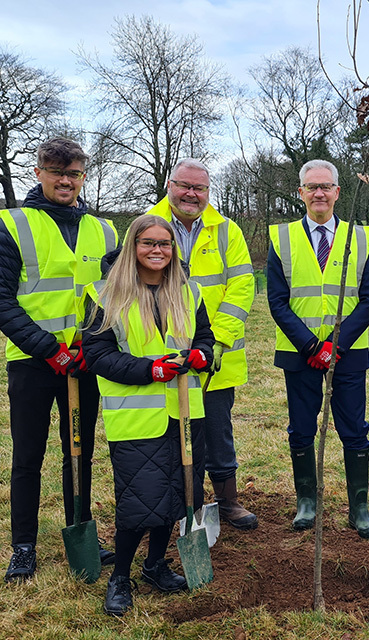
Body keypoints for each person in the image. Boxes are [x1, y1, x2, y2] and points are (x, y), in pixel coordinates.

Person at [0, 137, 118, 582]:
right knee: (28, 455)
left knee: (79, 452)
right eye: (56, 171)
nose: (65, 180)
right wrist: (49, 349)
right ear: (38, 173)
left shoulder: (105, 231)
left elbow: (116, 296)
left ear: (83, 176)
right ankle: (23, 545)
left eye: (74, 172)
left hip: (85, 362)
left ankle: (80, 529)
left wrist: (90, 346)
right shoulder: (11, 226)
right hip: (33, 362)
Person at [82, 214, 214, 616]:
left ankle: (156, 564)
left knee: (178, 494)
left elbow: (206, 339)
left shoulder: (189, 292)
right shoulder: (104, 294)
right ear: (131, 246)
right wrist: (149, 369)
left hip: (185, 414)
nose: (157, 250)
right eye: (147, 243)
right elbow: (97, 355)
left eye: (165, 243)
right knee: (140, 500)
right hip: (136, 418)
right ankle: (120, 576)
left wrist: (202, 356)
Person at [267, 159, 369, 538]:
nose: (319, 193)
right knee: (301, 428)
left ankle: (359, 507)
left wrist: (335, 344)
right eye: (311, 186)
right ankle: (307, 502)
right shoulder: (280, 238)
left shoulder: (359, 237)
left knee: (354, 429)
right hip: (300, 355)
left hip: (347, 355)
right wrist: (312, 345)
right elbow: (277, 301)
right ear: (300, 192)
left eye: (326, 186)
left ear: (337, 192)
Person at [147, 159, 257, 531]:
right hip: (166, 353)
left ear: (209, 191)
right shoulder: (148, 225)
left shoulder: (227, 231)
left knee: (216, 430)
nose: (192, 194)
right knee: (168, 432)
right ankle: (175, 504)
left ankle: (227, 501)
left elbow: (242, 286)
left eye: (200, 188)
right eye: (184, 186)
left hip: (215, 357)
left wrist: (218, 341)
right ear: (169, 185)